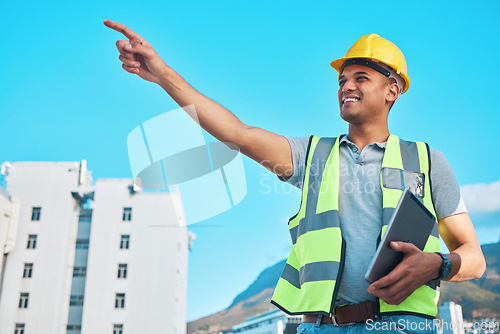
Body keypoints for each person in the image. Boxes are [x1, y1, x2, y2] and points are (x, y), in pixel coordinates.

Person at [104, 20, 486, 333]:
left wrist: (439, 264)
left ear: (393, 90)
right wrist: (163, 75)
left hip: (402, 325)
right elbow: (237, 134)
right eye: (342, 79)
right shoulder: (313, 155)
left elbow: (475, 258)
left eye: (361, 77)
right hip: (321, 327)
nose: (346, 86)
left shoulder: (428, 161)